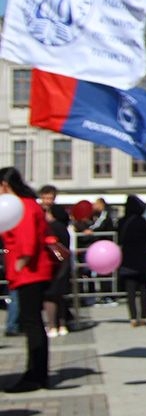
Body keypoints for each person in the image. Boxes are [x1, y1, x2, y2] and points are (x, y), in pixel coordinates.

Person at [1, 167, 54, 392]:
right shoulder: (29, 204)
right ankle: (35, 372)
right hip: (32, 271)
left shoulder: (20, 205)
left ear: (5, 185)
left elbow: (26, 240)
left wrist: (19, 262)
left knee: (31, 322)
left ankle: (35, 375)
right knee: (33, 323)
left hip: (29, 272)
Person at [118, 195, 146, 327]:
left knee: (130, 291)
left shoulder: (122, 222)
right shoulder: (142, 221)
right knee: (144, 289)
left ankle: (133, 317)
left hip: (127, 259)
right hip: (142, 259)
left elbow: (118, 240)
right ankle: (144, 315)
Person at [43, 204, 73, 337]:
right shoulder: (65, 228)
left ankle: (52, 326)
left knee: (50, 297)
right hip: (65, 265)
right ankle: (62, 325)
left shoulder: (51, 228)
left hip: (53, 266)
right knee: (61, 297)